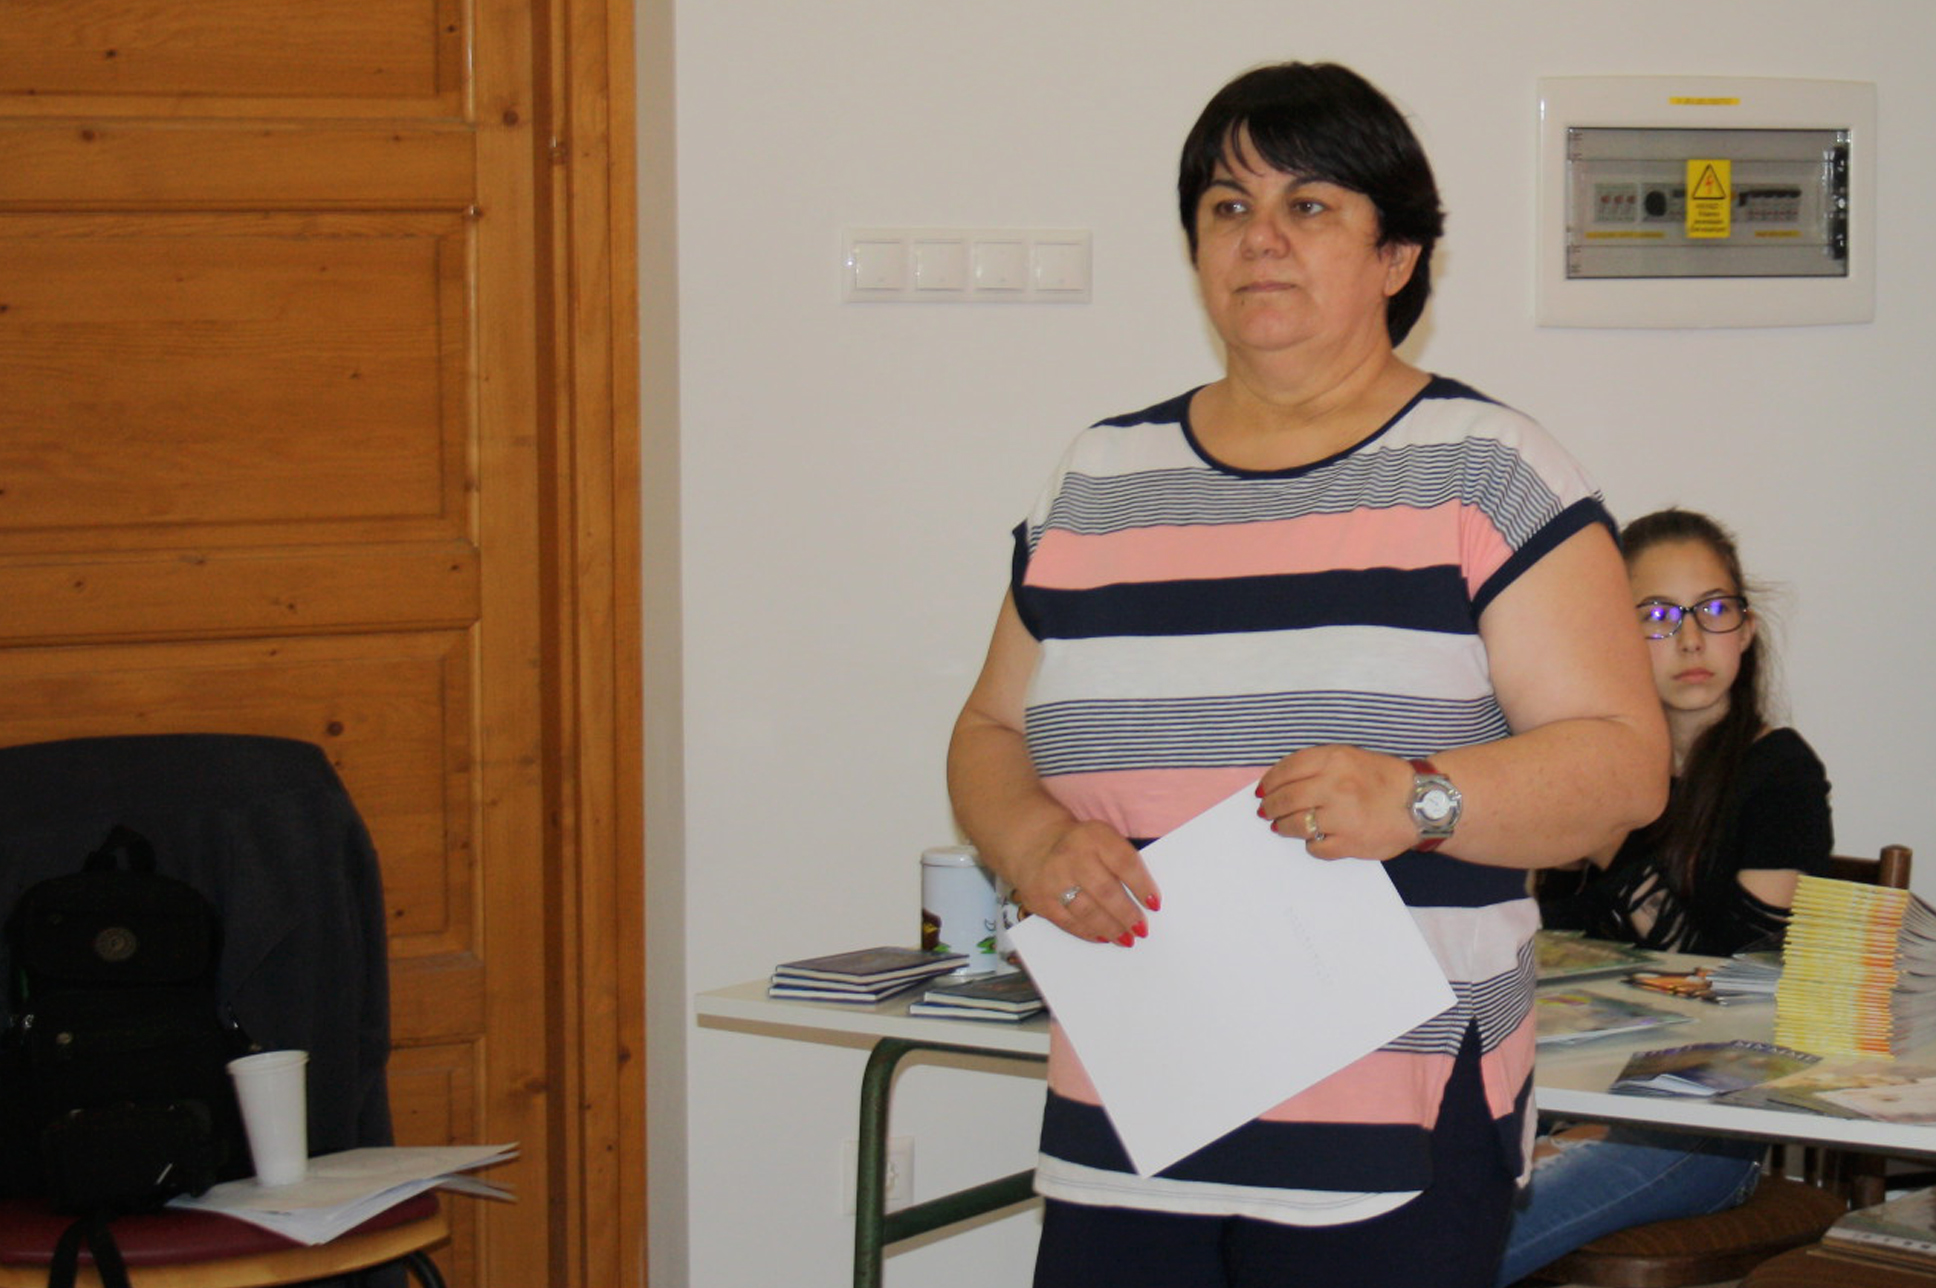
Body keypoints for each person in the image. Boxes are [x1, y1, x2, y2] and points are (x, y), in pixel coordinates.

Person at [946, 61, 1668, 1288]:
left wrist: (1421, 799)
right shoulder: (1097, 476)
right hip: (1130, 1116)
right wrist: (1030, 843)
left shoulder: (1489, 471)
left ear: (1396, 256)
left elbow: (1621, 765)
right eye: (1227, 207)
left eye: (1310, 205)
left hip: (1388, 1134)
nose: (1260, 238)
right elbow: (988, 729)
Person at [1496, 507, 1834, 1286]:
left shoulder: (1780, 775)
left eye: (1714, 609)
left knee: (1467, 1239)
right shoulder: (1592, 769)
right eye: (1656, 616)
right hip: (1562, 1092)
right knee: (1421, 1188)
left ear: (1746, 631)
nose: (1690, 640)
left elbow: (1744, 987)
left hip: (1705, 1122)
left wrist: (1616, 857)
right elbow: (1553, 960)